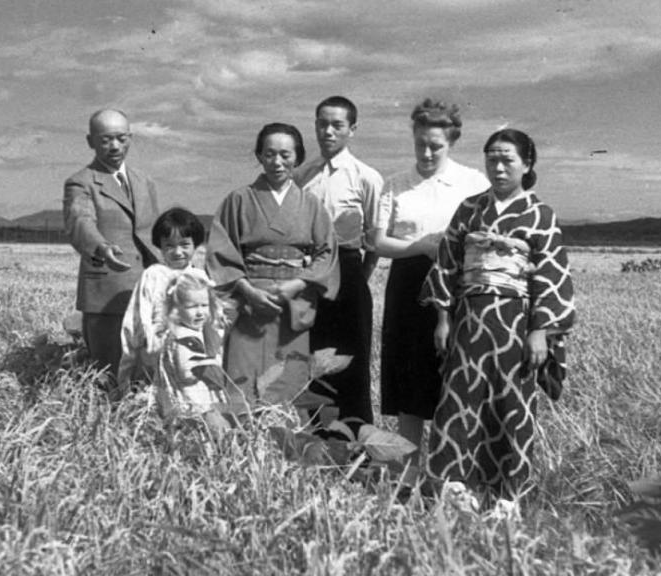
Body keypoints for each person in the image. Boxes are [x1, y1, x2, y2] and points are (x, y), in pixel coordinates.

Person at [421, 128, 576, 514]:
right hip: (469, 319)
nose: (499, 166)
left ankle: (508, 496)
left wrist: (540, 330)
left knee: (512, 403)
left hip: (515, 322)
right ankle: (455, 488)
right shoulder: (469, 209)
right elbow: (447, 265)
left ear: (527, 164)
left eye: (508, 159)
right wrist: (443, 317)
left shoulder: (541, 215)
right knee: (460, 399)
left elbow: (552, 276)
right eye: (492, 158)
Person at [373, 99, 489, 489]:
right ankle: (406, 478)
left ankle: (450, 476)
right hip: (408, 285)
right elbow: (378, 241)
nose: (425, 153)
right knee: (409, 381)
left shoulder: (474, 182)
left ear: (451, 142)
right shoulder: (394, 184)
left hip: (459, 286)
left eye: (435, 146)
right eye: (420, 143)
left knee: (453, 379)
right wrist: (421, 246)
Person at [206, 123, 339, 413]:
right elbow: (220, 250)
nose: (277, 162)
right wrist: (246, 289)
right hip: (249, 304)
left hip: (292, 305)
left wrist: (298, 284)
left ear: (298, 157)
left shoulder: (312, 204)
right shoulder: (238, 200)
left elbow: (326, 253)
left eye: (285, 155)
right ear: (259, 156)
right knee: (243, 376)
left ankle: (285, 451)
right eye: (269, 154)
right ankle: (241, 448)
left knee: (288, 378)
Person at [295, 96, 384, 429]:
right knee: (314, 358)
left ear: (352, 129)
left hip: (349, 274)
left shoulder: (366, 177)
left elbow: (375, 238)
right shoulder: (303, 175)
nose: (328, 131)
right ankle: (317, 440)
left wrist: (357, 277)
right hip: (309, 275)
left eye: (337, 125)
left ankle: (357, 447)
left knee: (352, 361)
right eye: (322, 123)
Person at [63, 108, 160, 396]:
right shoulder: (81, 182)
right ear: (90, 141)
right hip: (106, 291)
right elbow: (80, 221)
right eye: (105, 140)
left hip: (147, 289)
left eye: (121, 138)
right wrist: (102, 248)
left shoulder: (145, 181)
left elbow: (155, 232)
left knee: (146, 370)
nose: (115, 146)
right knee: (107, 374)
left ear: (130, 138)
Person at [116, 207, 209, 390]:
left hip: (191, 355)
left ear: (195, 245)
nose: (177, 252)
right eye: (169, 246)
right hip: (156, 353)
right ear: (160, 246)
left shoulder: (200, 277)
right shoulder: (153, 275)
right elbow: (137, 316)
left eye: (184, 245)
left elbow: (210, 319)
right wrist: (141, 348)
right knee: (153, 395)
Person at [155, 270, 231, 435]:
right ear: (176, 308)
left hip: (194, 398)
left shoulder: (191, 331)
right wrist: (212, 365)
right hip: (193, 401)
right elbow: (186, 374)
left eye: (204, 305)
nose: (199, 312)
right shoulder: (183, 336)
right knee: (203, 432)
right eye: (191, 307)